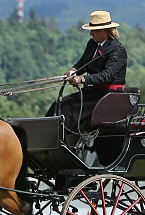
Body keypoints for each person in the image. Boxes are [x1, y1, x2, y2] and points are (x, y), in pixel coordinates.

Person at [47, 10, 127, 140]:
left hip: (108, 96)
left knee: (66, 108)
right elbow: (83, 63)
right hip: (93, 92)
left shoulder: (117, 49)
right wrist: (73, 71)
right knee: (58, 105)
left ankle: (63, 141)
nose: (91, 33)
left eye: (93, 30)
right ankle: (50, 138)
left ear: (104, 31)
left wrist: (83, 78)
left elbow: (107, 76)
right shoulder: (92, 44)